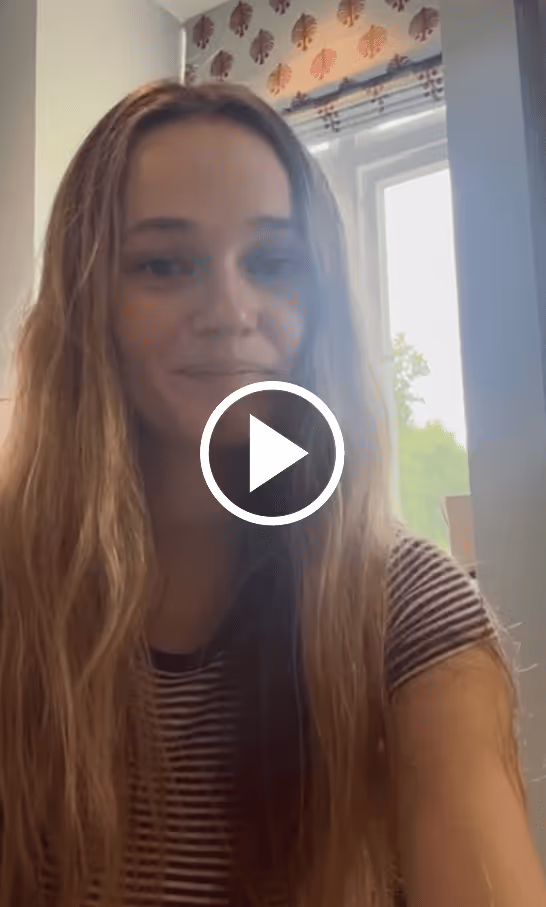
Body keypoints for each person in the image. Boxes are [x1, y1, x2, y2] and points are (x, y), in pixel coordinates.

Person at [0, 79, 543, 907]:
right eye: (164, 264)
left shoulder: (405, 612)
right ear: (88, 304)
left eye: (274, 262)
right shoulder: (16, 589)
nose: (229, 309)